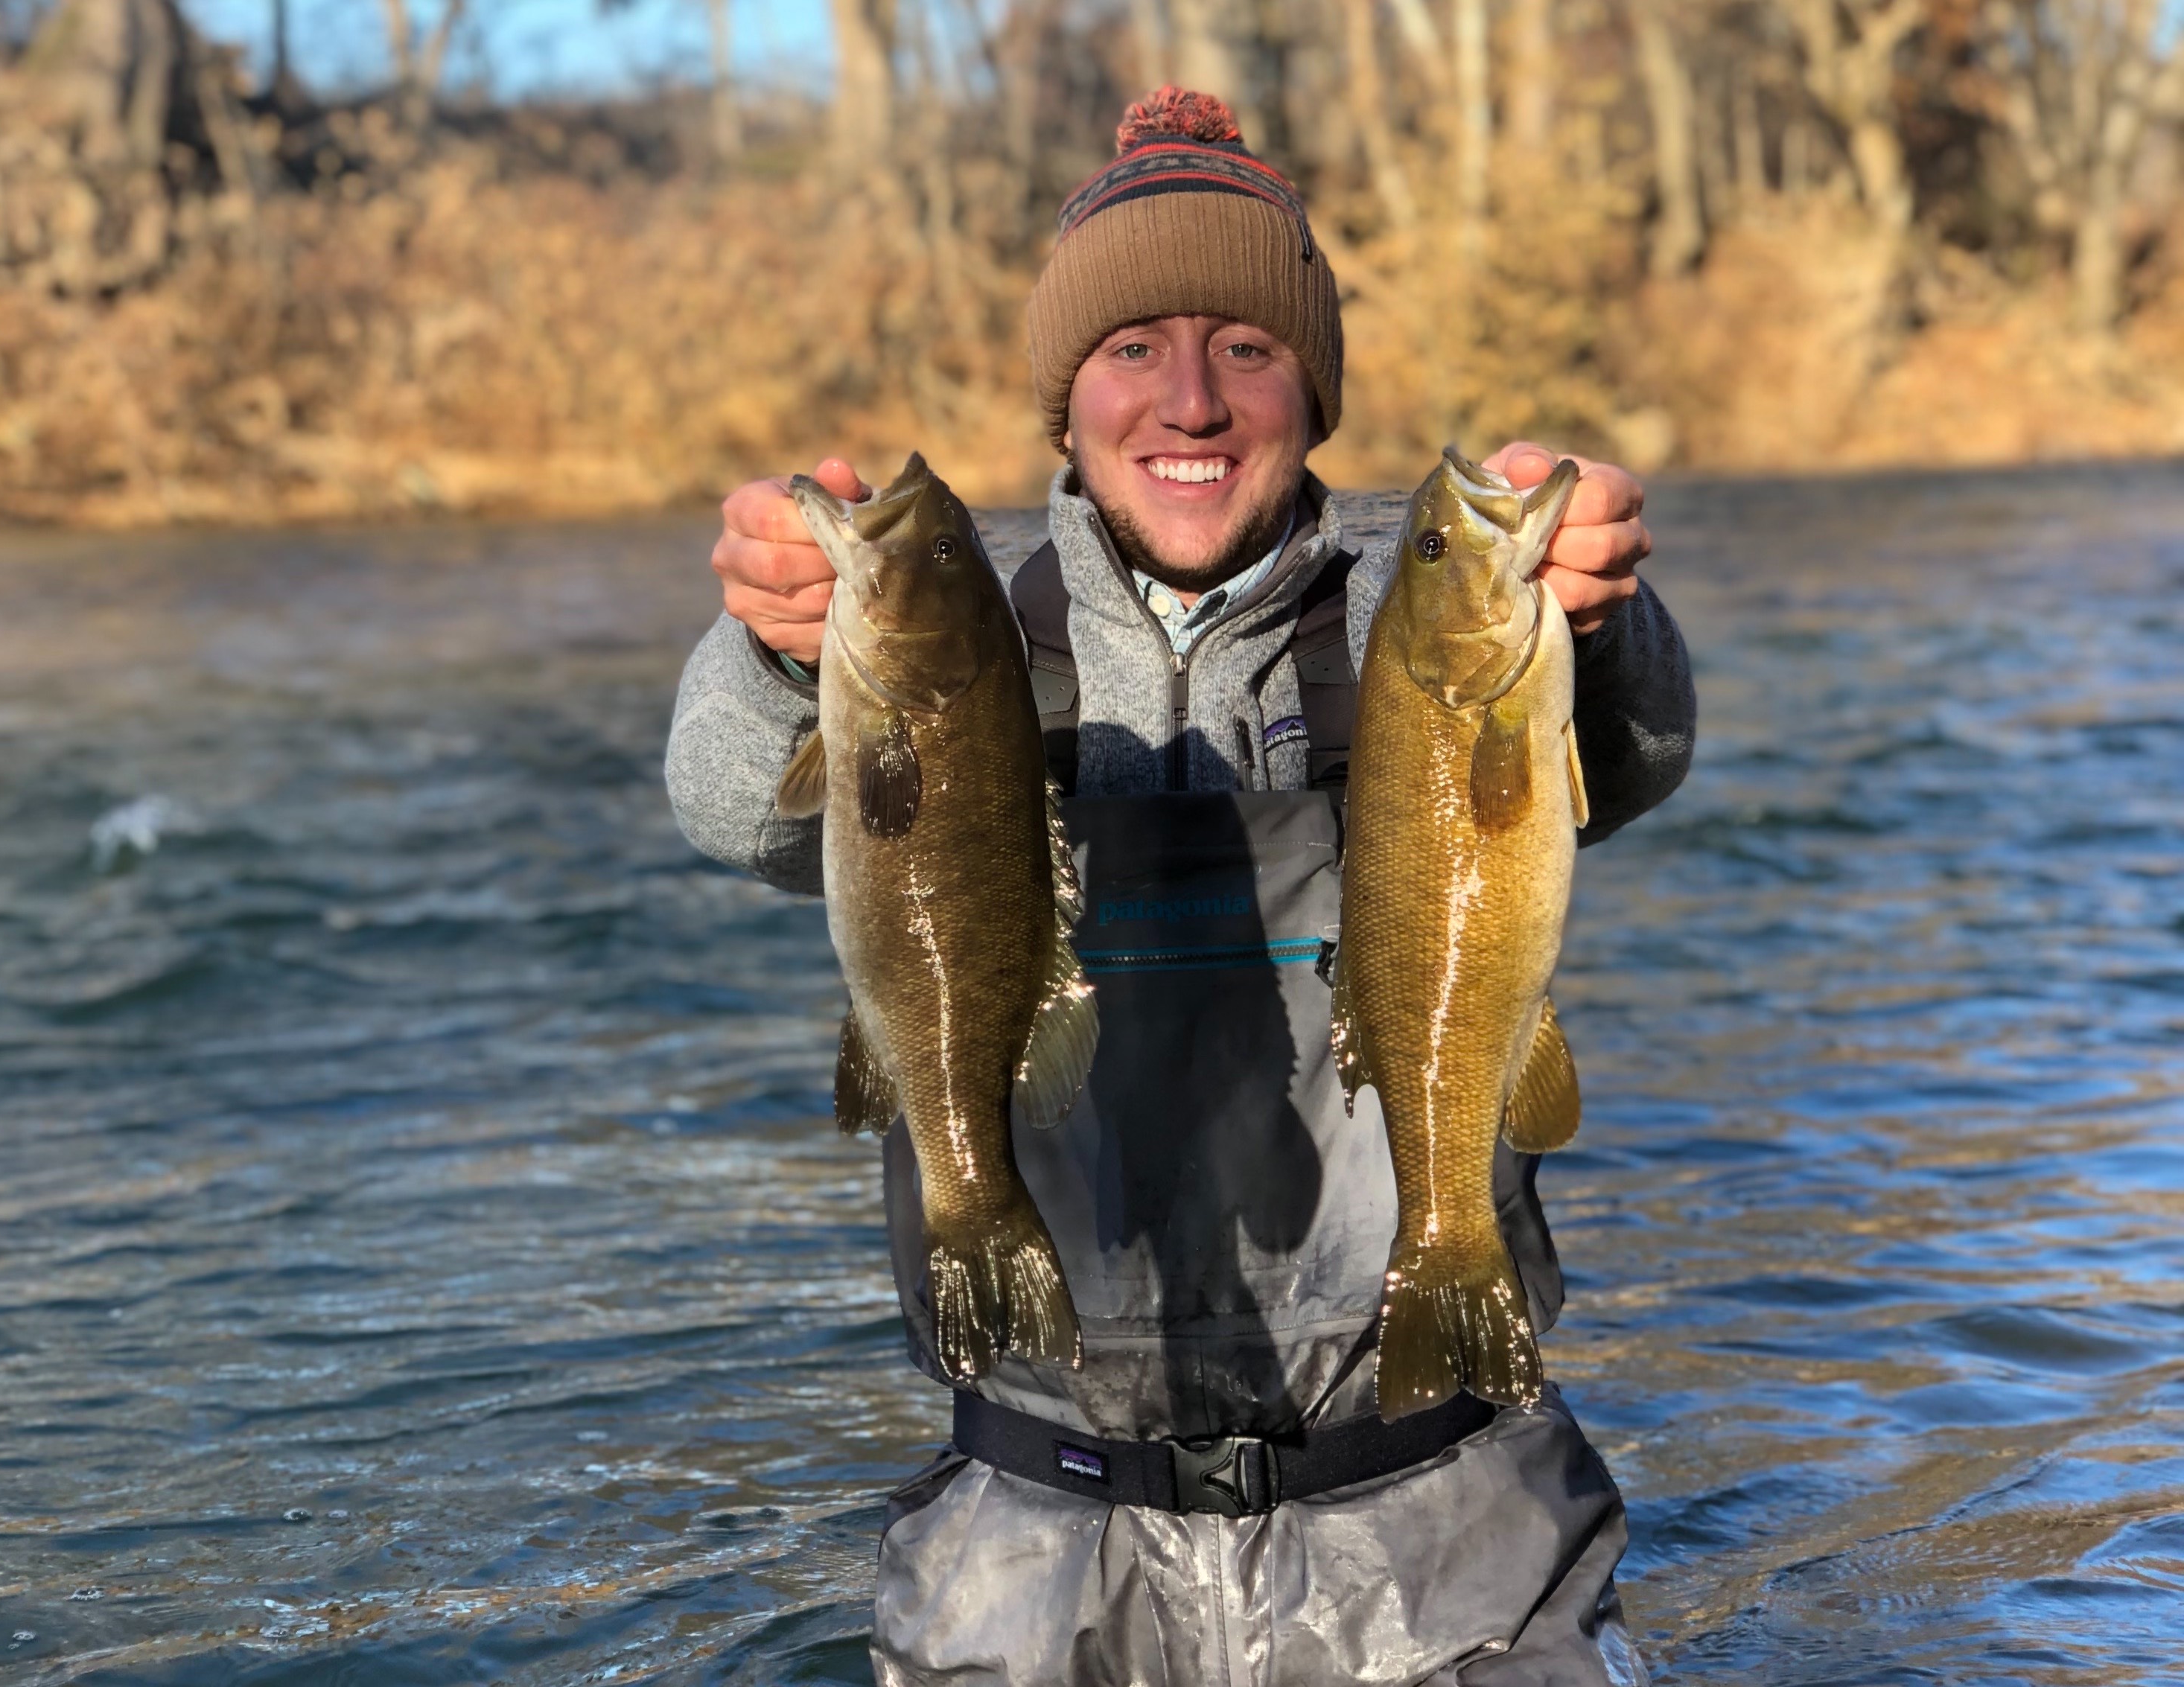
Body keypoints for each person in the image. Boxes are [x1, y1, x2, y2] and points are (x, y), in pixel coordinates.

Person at [666, 86, 1693, 1687]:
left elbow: (1627, 757)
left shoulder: (1414, 599)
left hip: (1442, 1522)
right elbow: (734, 810)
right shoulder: (966, 622)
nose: (1193, 401)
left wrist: (1601, 620)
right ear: (1066, 396)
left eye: (1249, 347)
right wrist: (779, 662)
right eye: (1134, 348)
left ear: (1314, 389)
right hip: (1036, 1525)